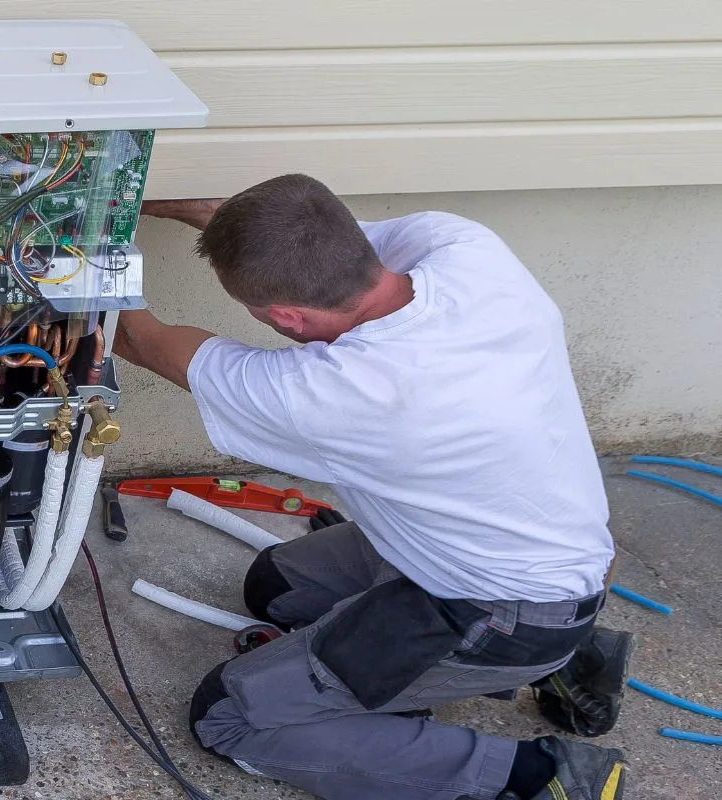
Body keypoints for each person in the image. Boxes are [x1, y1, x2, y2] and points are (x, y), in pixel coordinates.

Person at [113, 174, 632, 800]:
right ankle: (571, 659)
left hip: (500, 612)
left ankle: (540, 778)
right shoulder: (467, 251)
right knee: (275, 589)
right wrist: (122, 200)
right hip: (535, 555)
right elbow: (253, 224)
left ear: (285, 316)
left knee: (232, 714)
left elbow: (138, 339)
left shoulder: (338, 393)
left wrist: (71, 259)